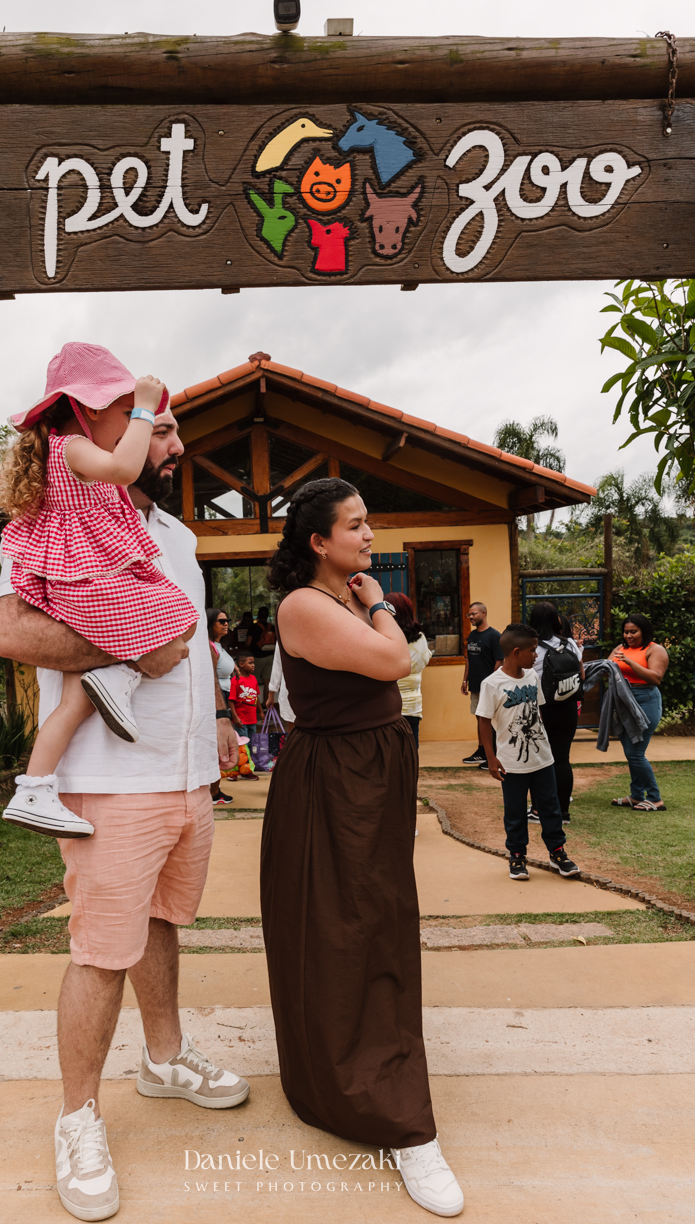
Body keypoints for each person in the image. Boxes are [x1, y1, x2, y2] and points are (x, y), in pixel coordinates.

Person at [0, 345, 246, 1224]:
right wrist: (129, 649)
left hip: (185, 775)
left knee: (163, 924)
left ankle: (164, 1059)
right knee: (101, 950)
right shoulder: (49, 522)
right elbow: (14, 636)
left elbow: (191, 646)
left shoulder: (173, 536)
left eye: (169, 425)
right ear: (92, 423)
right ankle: (78, 1117)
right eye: (155, 422)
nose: (169, 438)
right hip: (109, 779)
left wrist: (214, 718)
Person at [261, 477, 464, 1218]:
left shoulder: (338, 596)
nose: (369, 534)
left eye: (369, 521)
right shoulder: (306, 604)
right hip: (336, 785)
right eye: (356, 525)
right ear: (319, 542)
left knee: (372, 921)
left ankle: (363, 1063)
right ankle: (393, 1114)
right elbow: (395, 663)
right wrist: (379, 601)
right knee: (345, 926)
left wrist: (371, 601)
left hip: (369, 776)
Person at [0, 346, 199, 840]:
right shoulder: (71, 448)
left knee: (75, 699)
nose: (138, 427)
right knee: (181, 613)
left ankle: (35, 787)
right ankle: (123, 674)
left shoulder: (62, 465)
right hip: (89, 582)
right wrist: (147, 406)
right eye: (126, 414)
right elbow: (127, 469)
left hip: (77, 585)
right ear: (87, 410)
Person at [476, 622, 580, 883]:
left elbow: (538, 711)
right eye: (533, 650)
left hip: (542, 758)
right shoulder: (492, 684)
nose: (537, 655)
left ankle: (557, 853)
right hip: (512, 763)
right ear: (516, 652)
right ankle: (517, 856)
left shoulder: (533, 676)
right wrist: (491, 758)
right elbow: (483, 721)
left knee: (550, 808)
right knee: (515, 811)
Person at [528, 601, 584, 826]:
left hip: (543, 709)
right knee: (562, 759)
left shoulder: (532, 648)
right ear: (556, 620)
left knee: (540, 760)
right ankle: (563, 812)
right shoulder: (569, 643)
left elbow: (527, 681)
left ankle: (540, 810)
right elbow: (581, 673)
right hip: (568, 707)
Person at [609, 613, 669, 812]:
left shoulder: (655, 650)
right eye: (626, 632)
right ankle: (636, 796)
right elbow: (608, 667)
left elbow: (656, 677)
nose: (628, 636)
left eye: (633, 632)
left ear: (644, 631)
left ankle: (655, 798)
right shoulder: (620, 648)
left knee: (636, 753)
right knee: (630, 752)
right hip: (624, 701)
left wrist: (629, 662)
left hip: (646, 700)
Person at [460, 601, 503, 767]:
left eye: (473, 614)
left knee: (490, 720)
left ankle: (493, 754)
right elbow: (469, 660)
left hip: (489, 688)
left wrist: (490, 684)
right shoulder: (472, 635)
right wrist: (465, 680)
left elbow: (499, 662)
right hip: (476, 686)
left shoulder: (494, 636)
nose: (471, 617)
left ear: (483, 614)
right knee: (479, 719)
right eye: (469, 614)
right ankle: (482, 751)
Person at [391, 592, 432, 752]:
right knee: (410, 754)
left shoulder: (386, 637)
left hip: (390, 706)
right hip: (413, 706)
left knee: (391, 756)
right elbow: (425, 659)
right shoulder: (420, 637)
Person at [207, 608, 235, 806]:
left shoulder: (219, 645)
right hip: (217, 699)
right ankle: (213, 791)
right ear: (210, 624)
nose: (226, 624)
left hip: (225, 696)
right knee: (218, 744)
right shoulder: (209, 646)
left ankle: (215, 789)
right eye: (221, 621)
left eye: (227, 620)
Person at [228, 650, 264, 750]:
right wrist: (235, 718)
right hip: (241, 719)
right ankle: (246, 763)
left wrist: (261, 712)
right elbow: (231, 700)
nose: (253, 665)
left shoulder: (253, 678)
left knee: (253, 743)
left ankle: (252, 762)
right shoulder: (235, 680)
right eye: (250, 663)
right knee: (244, 744)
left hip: (252, 718)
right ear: (241, 664)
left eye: (253, 663)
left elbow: (256, 697)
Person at [267, 642, 294, 731]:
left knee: (293, 730)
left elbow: (277, 664)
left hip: (290, 689)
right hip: (290, 690)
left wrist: (271, 695)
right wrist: (271, 694)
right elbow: (277, 664)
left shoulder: (284, 634)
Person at [250, 605, 276, 700]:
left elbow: (248, 642)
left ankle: (255, 704)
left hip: (257, 657)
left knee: (253, 682)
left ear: (258, 614)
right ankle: (266, 704)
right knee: (267, 683)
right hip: (270, 657)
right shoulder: (272, 627)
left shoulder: (253, 627)